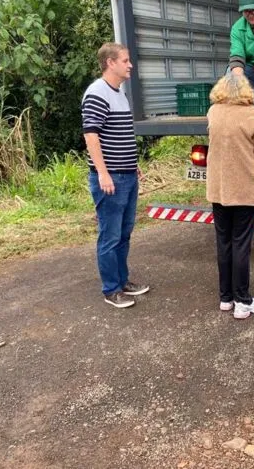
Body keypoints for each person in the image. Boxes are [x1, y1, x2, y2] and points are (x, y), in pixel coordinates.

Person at [82, 43, 150, 308]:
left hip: (127, 175)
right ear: (110, 63)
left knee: (124, 232)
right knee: (109, 235)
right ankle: (111, 289)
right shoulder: (97, 93)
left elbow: (119, 135)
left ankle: (123, 281)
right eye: (125, 60)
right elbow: (91, 135)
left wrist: (132, 163)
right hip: (111, 179)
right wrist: (103, 173)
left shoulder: (119, 94)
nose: (130, 64)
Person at [206, 73, 254, 319]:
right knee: (241, 243)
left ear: (221, 89)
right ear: (246, 91)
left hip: (219, 189)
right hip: (244, 190)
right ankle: (243, 301)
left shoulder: (213, 112)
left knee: (223, 242)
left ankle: (226, 298)